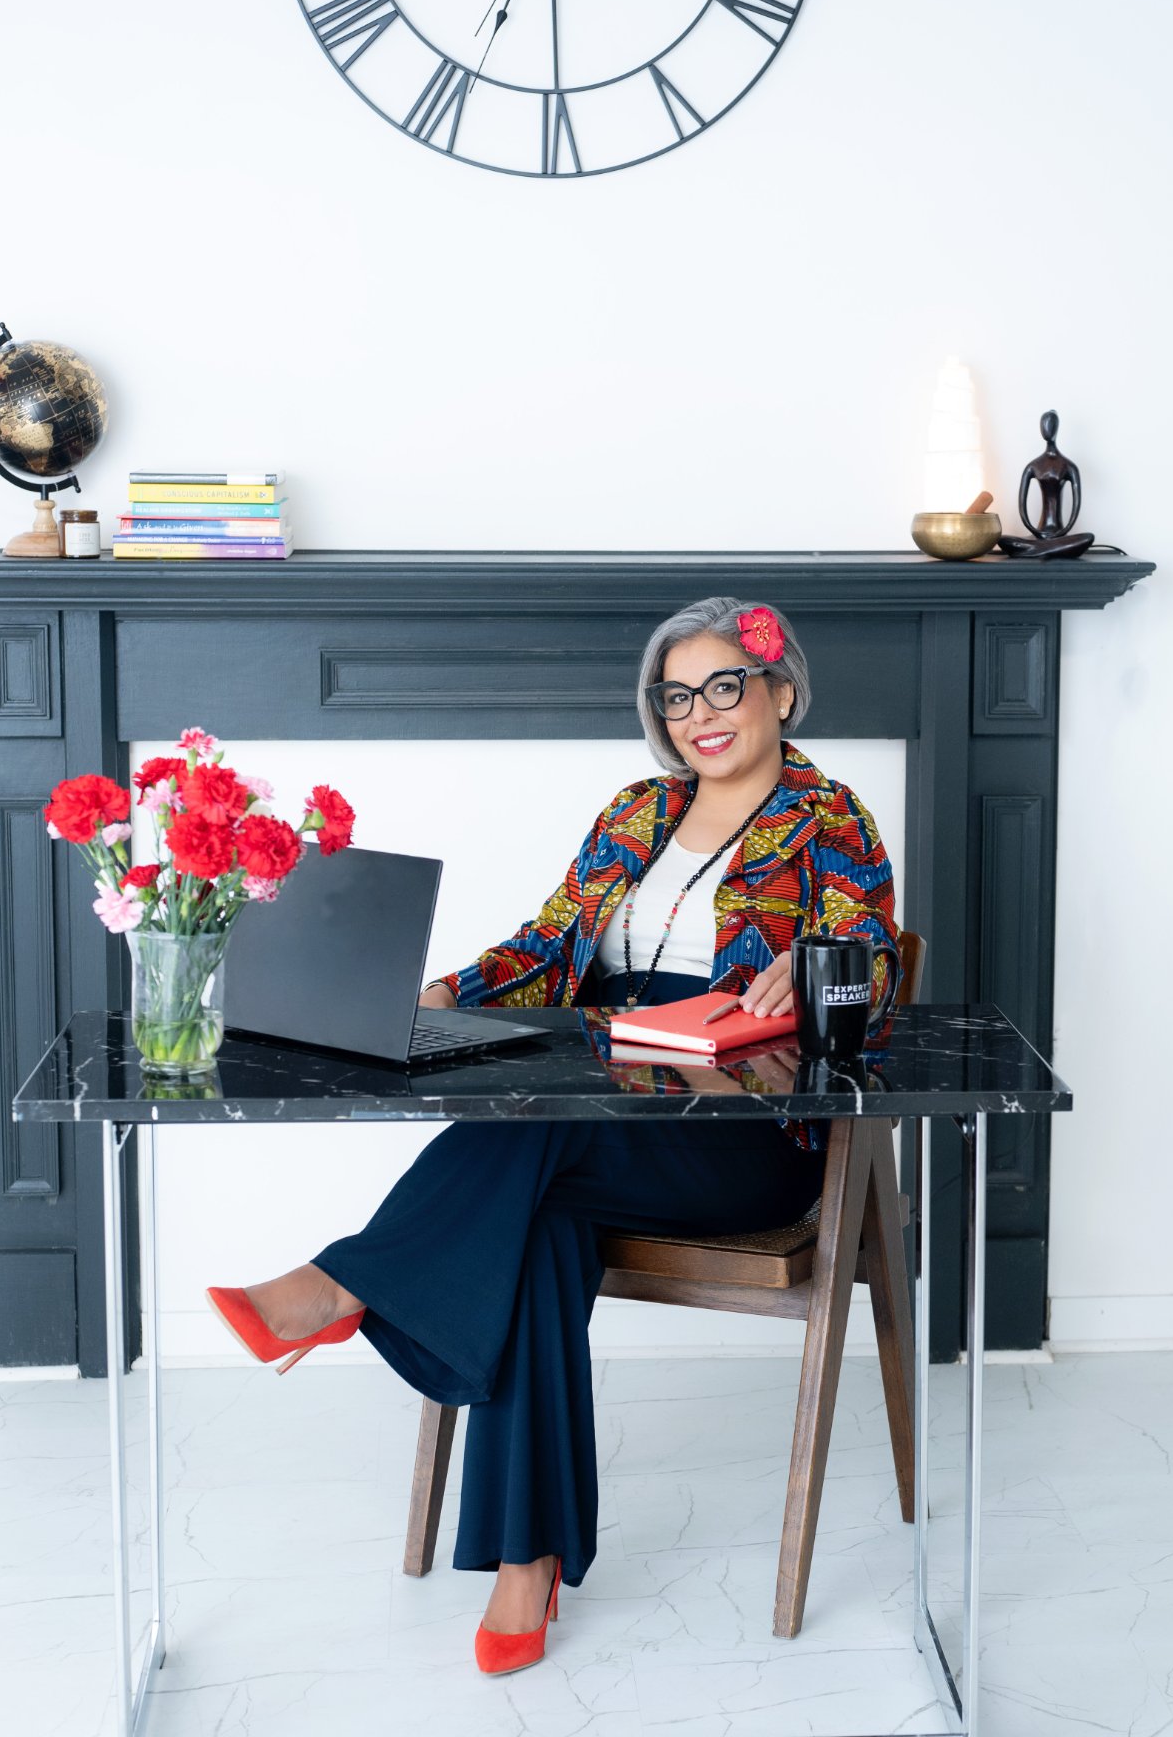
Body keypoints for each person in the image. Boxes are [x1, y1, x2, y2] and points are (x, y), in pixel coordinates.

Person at [207, 596, 899, 1674]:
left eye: (723, 686)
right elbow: (547, 944)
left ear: (778, 690)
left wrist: (812, 973)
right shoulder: (634, 811)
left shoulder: (830, 819)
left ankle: (342, 1285)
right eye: (676, 696)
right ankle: (524, 1564)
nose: (699, 714)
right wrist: (443, 990)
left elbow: (874, 958)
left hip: (742, 1126)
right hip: (605, 1095)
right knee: (536, 1228)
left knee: (533, 1126)